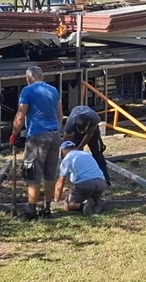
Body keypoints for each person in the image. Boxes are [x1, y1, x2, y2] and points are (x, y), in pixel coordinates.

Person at [10, 66, 63, 220]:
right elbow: (60, 114)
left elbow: (21, 115)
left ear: (29, 78)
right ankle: (47, 209)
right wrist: (56, 130)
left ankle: (31, 212)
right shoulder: (53, 90)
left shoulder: (27, 91)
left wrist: (14, 134)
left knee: (33, 173)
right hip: (54, 134)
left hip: (38, 136)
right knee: (50, 174)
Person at [54, 141, 108, 215]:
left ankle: (83, 206)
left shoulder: (67, 158)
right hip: (101, 182)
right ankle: (97, 203)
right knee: (89, 195)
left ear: (63, 150)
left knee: (68, 204)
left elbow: (60, 182)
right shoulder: (86, 154)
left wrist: (56, 200)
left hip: (86, 184)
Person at [63, 104, 110, 185]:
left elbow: (89, 134)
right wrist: (67, 154)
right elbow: (66, 142)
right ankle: (75, 177)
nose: (82, 133)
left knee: (98, 153)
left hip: (93, 131)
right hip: (76, 129)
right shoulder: (70, 125)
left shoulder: (94, 119)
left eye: (83, 130)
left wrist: (80, 147)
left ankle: (105, 179)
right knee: (74, 154)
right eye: (80, 131)